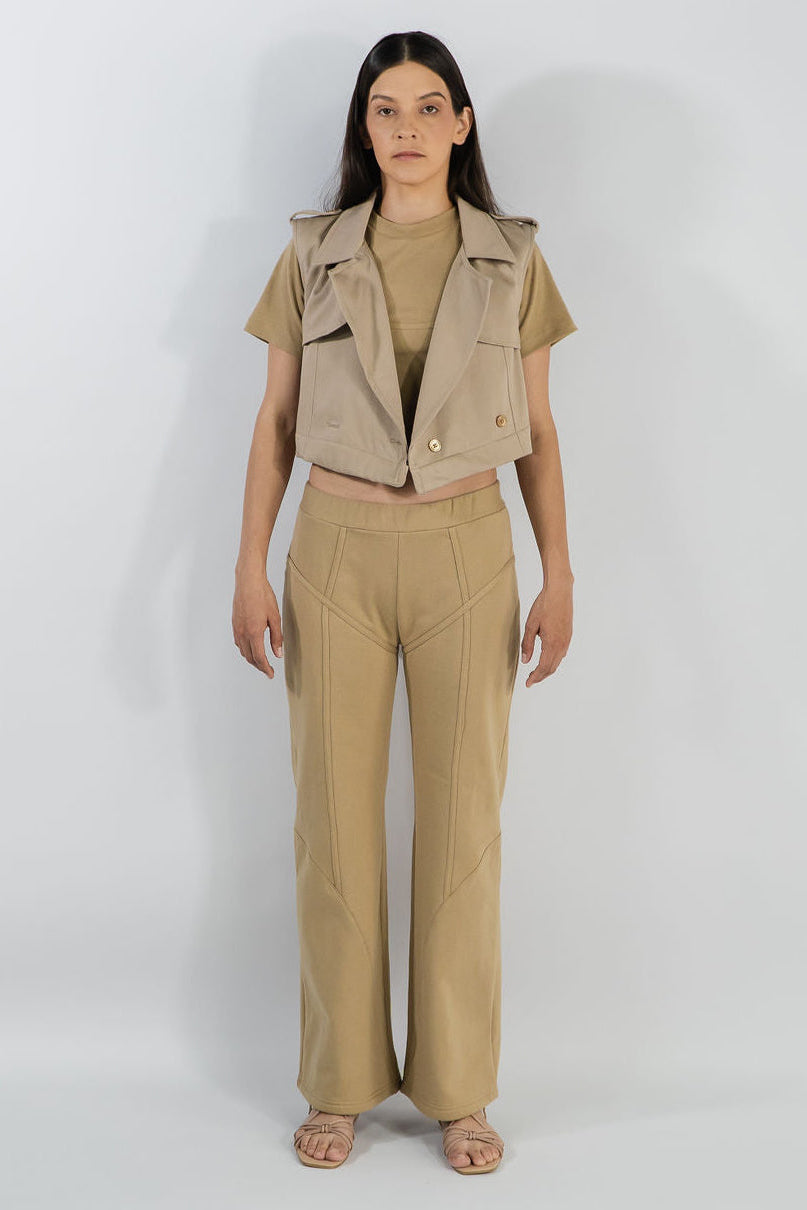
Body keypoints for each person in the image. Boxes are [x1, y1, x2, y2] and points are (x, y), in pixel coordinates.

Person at [232, 30, 578, 1174]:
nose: (410, 127)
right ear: (364, 127)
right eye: (388, 108)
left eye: (431, 107)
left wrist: (559, 571)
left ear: (462, 123)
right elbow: (275, 421)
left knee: (463, 826)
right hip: (332, 548)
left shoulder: (512, 257)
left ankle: (458, 1089)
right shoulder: (314, 252)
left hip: (468, 551)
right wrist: (248, 563)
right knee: (333, 825)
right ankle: (338, 1082)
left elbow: (540, 431)